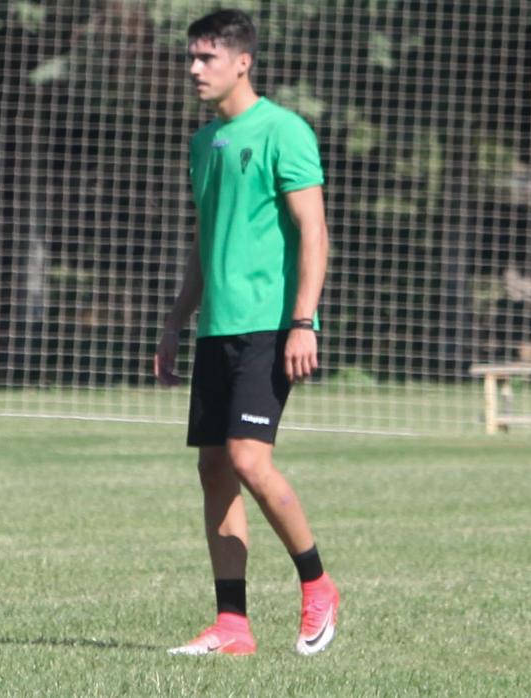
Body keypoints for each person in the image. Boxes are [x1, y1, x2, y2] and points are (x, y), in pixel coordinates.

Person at [155, 9, 338, 657]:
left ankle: (317, 584)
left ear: (242, 61)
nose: (194, 69)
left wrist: (301, 321)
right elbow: (205, 244)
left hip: (271, 324)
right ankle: (232, 626)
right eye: (191, 57)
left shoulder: (285, 131)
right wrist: (177, 322)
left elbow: (313, 232)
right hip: (216, 330)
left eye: (206, 58)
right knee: (214, 469)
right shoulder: (204, 143)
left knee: (247, 459)